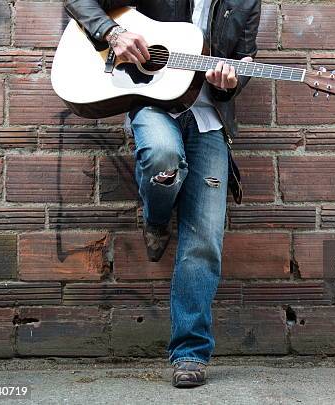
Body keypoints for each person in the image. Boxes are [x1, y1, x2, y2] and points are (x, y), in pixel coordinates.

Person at [64, 0, 261, 388]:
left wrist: (229, 84)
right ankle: (156, 218)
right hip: (151, 103)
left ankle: (190, 353)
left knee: (204, 241)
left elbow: (241, 64)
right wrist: (115, 34)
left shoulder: (247, 2)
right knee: (163, 156)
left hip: (208, 119)